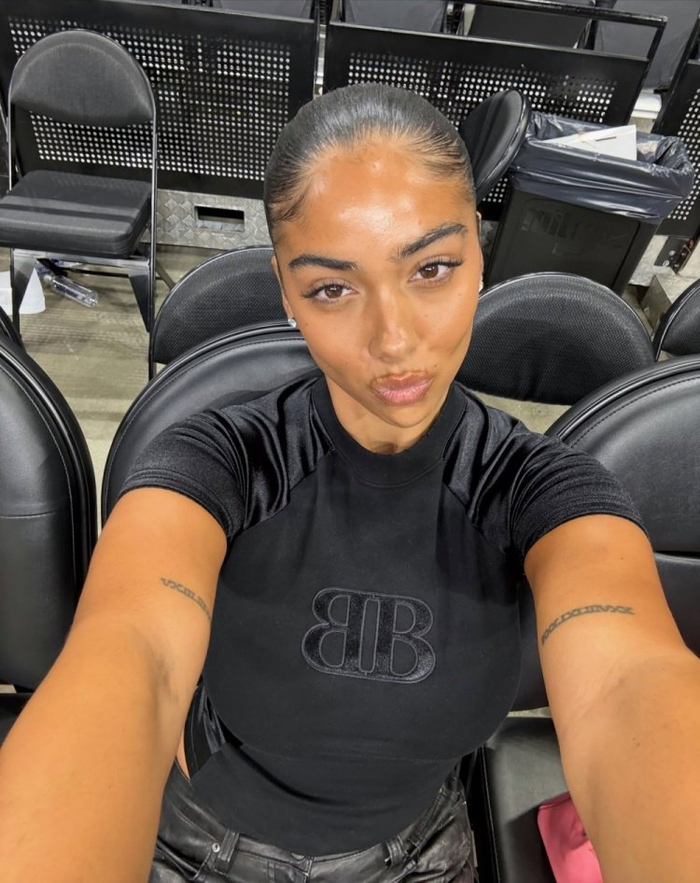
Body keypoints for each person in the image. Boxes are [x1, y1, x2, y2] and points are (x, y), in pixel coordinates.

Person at [0, 84, 699, 883]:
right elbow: (134, 652)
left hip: (416, 853)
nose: (393, 339)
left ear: (479, 257)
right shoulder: (220, 460)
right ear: (287, 291)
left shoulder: (540, 490)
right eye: (333, 287)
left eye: (432, 268)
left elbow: (622, 686)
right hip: (200, 846)